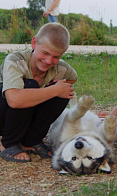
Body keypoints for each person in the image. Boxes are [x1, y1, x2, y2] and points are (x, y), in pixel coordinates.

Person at [0, 23, 78, 163]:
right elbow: (14, 100)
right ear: (34, 43)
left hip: (22, 116)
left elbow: (73, 78)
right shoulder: (15, 60)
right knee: (31, 85)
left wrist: (56, 85)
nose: (49, 61)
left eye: (56, 57)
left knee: (63, 90)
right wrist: (52, 90)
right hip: (3, 116)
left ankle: (31, 140)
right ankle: (8, 142)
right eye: (45, 53)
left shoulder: (61, 68)